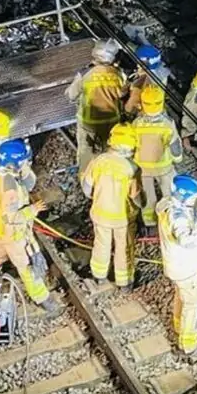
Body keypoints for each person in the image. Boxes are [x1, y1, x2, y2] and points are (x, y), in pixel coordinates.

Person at [0, 140, 63, 316]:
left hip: (0, 229)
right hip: (14, 235)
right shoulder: (10, 189)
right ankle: (42, 298)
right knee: (27, 267)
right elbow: (12, 217)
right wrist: (32, 210)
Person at [158, 174, 197, 355]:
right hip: (185, 267)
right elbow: (186, 240)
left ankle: (178, 326)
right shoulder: (179, 217)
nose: (194, 200)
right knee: (193, 304)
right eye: (192, 197)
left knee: (181, 297)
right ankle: (188, 344)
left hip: (177, 265)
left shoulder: (168, 206)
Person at [83, 123, 140, 289]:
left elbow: (87, 189)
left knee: (101, 244)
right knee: (124, 248)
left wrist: (98, 197)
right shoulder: (132, 168)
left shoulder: (98, 161)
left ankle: (99, 276)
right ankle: (124, 282)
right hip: (123, 219)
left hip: (101, 214)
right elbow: (135, 197)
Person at [66, 39, 127, 173]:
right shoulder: (119, 74)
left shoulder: (85, 74)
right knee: (110, 150)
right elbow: (123, 94)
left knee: (85, 152)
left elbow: (71, 95)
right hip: (111, 121)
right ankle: (107, 175)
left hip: (88, 121)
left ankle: (85, 175)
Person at [132, 85, 183, 228]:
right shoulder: (167, 123)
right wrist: (178, 159)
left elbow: (132, 144)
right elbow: (174, 144)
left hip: (143, 168)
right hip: (163, 166)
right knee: (169, 193)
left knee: (148, 196)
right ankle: (171, 220)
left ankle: (150, 222)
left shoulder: (137, 123)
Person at [125, 44, 169, 117]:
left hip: (143, 114)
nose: (138, 65)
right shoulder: (159, 72)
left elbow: (130, 107)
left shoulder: (149, 80)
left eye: (140, 62)